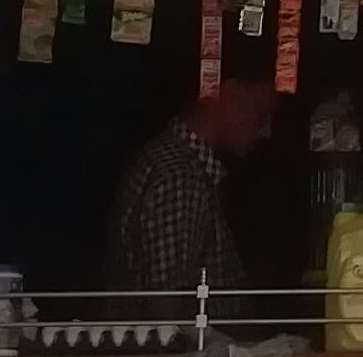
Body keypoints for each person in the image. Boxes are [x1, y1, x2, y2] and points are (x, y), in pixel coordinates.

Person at [111, 79, 274, 292]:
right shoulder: (180, 176)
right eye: (260, 114)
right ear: (229, 95)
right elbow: (168, 306)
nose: (267, 132)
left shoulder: (182, 165)